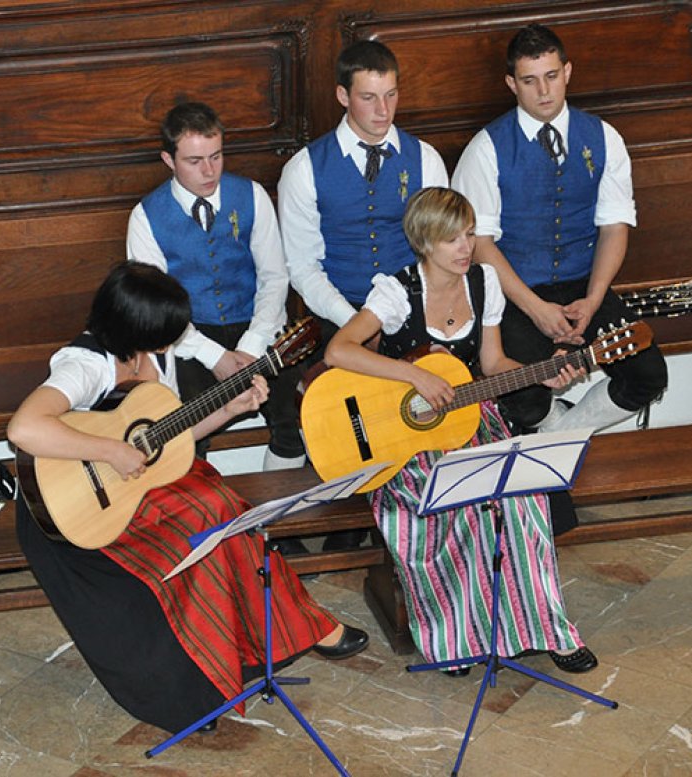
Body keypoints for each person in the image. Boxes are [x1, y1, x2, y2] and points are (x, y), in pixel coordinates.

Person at [7, 263, 369, 735]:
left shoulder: (152, 358)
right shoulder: (84, 363)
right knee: (208, 515)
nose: (177, 337)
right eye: (168, 330)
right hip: (72, 505)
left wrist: (228, 408)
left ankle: (263, 644)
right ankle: (200, 685)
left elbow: (162, 439)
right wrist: (110, 450)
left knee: (224, 511)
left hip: (136, 488)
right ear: (137, 327)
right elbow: (23, 428)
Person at [323, 187, 598, 674]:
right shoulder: (397, 292)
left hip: (472, 419)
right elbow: (339, 351)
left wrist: (542, 372)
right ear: (425, 241)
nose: (465, 246)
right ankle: (455, 641)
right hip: (406, 440)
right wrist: (416, 375)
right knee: (445, 507)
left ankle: (550, 630)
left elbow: (492, 364)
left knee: (522, 499)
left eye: (469, 234)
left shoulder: (484, 283)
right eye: (452, 237)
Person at [451, 23, 667, 438]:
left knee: (649, 373)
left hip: (584, 284)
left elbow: (614, 225)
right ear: (512, 84)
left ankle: (561, 439)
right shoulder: (486, 148)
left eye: (552, 76)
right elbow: (479, 246)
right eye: (530, 81)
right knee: (526, 399)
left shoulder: (604, 137)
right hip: (514, 293)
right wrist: (536, 308)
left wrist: (594, 299)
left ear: (567, 71)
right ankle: (555, 437)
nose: (544, 91)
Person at [278, 39, 449, 550]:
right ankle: (337, 521)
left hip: (406, 309)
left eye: (391, 96)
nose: (383, 111)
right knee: (326, 409)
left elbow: (437, 250)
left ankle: (399, 518)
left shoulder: (426, 159)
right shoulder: (305, 169)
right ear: (342, 96)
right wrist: (355, 318)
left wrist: (396, 313)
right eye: (370, 98)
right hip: (337, 308)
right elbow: (302, 267)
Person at [127, 102, 305, 471]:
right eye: (195, 161)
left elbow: (274, 277)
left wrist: (253, 345)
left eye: (216, 156)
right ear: (168, 159)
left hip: (255, 325)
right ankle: (204, 517)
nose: (209, 171)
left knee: (295, 423)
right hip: (187, 336)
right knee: (187, 432)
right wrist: (216, 357)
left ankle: (276, 521)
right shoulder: (146, 216)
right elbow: (155, 309)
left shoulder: (251, 196)